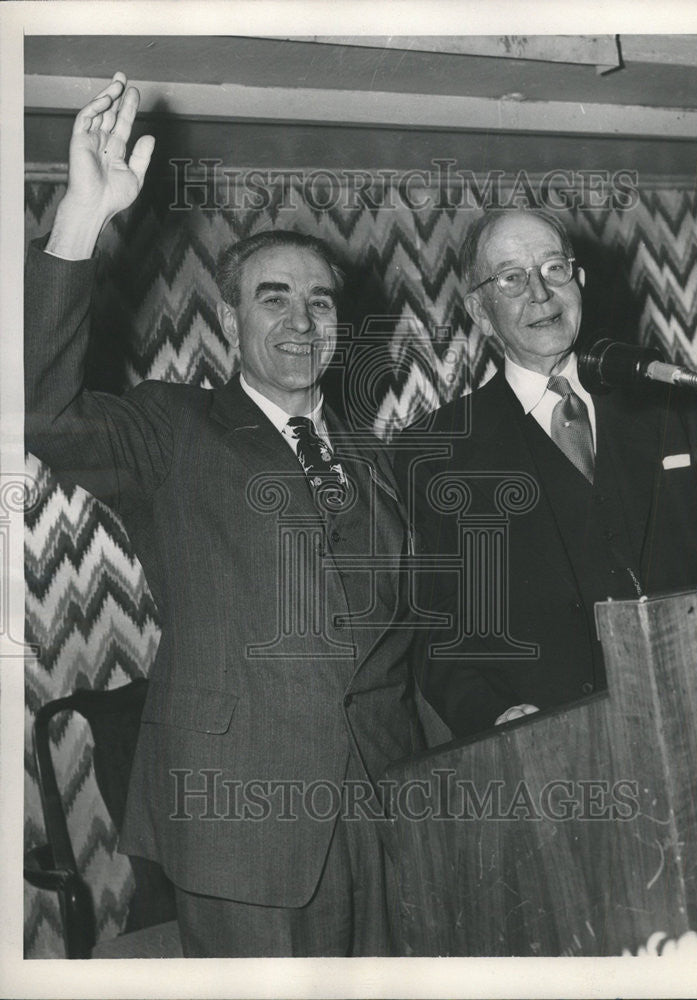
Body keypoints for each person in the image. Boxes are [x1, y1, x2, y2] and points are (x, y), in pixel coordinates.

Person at [25, 74, 422, 957]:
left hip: (385, 808)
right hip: (242, 823)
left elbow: (395, 645)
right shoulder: (174, 429)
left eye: (319, 300)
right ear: (230, 319)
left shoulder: (374, 457)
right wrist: (82, 219)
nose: (300, 318)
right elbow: (39, 412)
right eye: (272, 296)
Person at [400, 207, 697, 739]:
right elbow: (434, 625)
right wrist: (494, 713)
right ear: (480, 309)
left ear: (579, 281)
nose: (539, 294)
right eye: (511, 278)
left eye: (554, 269)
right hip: (560, 744)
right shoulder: (438, 451)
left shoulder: (671, 405)